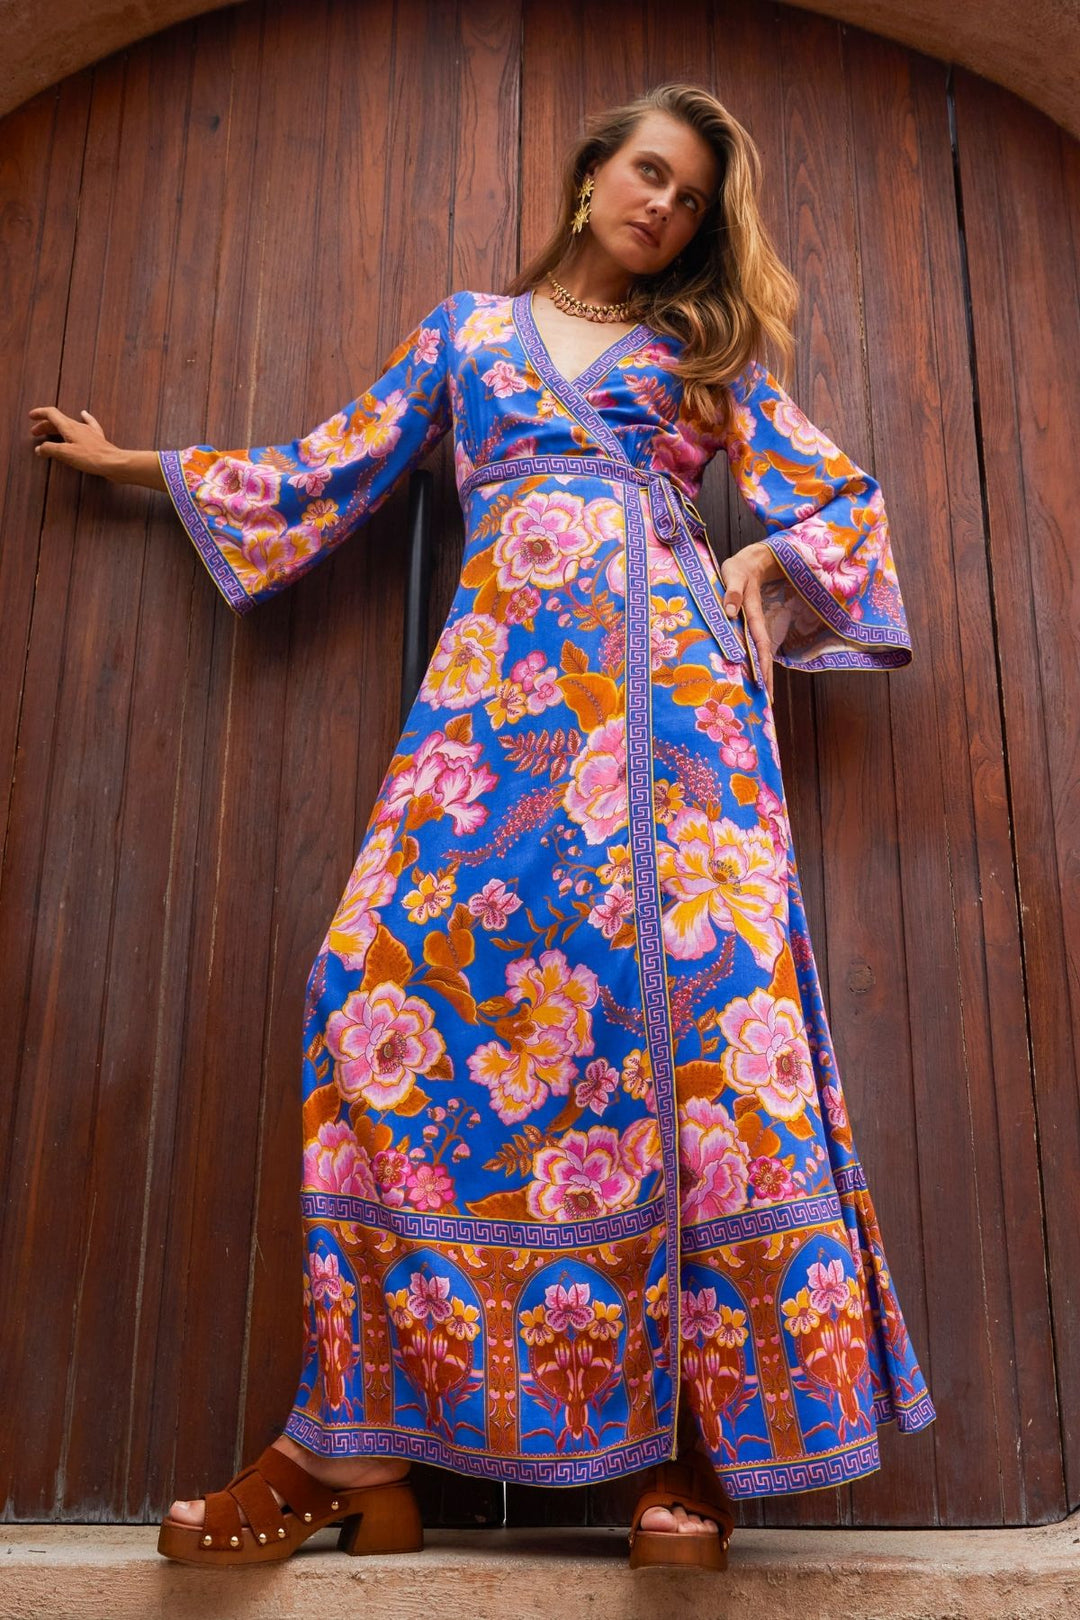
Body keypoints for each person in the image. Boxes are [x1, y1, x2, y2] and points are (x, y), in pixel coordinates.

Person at [28, 81, 935, 1573]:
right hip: (494, 718)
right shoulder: (466, 335)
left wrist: (764, 566)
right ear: (592, 175)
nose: (665, 207)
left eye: (692, 199)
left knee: (701, 1031)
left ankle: (693, 1453)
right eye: (650, 173)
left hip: (672, 722)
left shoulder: (699, 356)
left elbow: (844, 503)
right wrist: (136, 467)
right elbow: (328, 466)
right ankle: (357, 1449)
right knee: (365, 990)